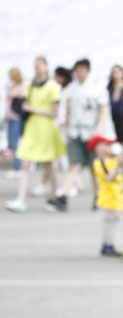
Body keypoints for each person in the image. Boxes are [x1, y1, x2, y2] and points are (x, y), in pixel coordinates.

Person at [4, 56, 65, 213]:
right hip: (31, 127)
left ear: (46, 67)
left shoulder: (52, 86)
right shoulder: (29, 85)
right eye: (35, 66)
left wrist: (33, 109)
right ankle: (21, 199)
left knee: (49, 164)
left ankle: (55, 196)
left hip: (45, 128)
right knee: (25, 162)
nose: (36, 68)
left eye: (39, 65)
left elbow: (54, 113)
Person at [52, 58, 111, 211]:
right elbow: (66, 111)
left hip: (92, 133)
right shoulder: (70, 89)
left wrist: (99, 130)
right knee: (74, 164)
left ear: (88, 71)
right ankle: (63, 195)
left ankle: (99, 196)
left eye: (82, 69)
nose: (79, 72)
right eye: (77, 70)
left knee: (94, 167)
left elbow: (103, 111)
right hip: (75, 132)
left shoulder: (97, 88)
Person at [88, 135, 123, 256]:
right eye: (106, 145)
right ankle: (108, 245)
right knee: (110, 225)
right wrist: (117, 166)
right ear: (98, 148)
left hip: (116, 198)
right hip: (108, 199)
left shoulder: (112, 160)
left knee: (113, 223)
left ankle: (109, 244)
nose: (109, 147)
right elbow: (109, 177)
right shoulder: (100, 162)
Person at [4, 67, 25, 178]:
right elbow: (7, 105)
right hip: (9, 118)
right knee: (11, 144)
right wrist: (3, 119)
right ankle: (16, 167)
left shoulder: (23, 87)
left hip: (17, 118)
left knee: (16, 144)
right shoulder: (9, 87)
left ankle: (18, 168)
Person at [107, 65, 123, 143]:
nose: (116, 74)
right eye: (114, 72)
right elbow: (111, 105)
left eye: (118, 71)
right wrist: (117, 89)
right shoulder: (109, 89)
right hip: (114, 120)